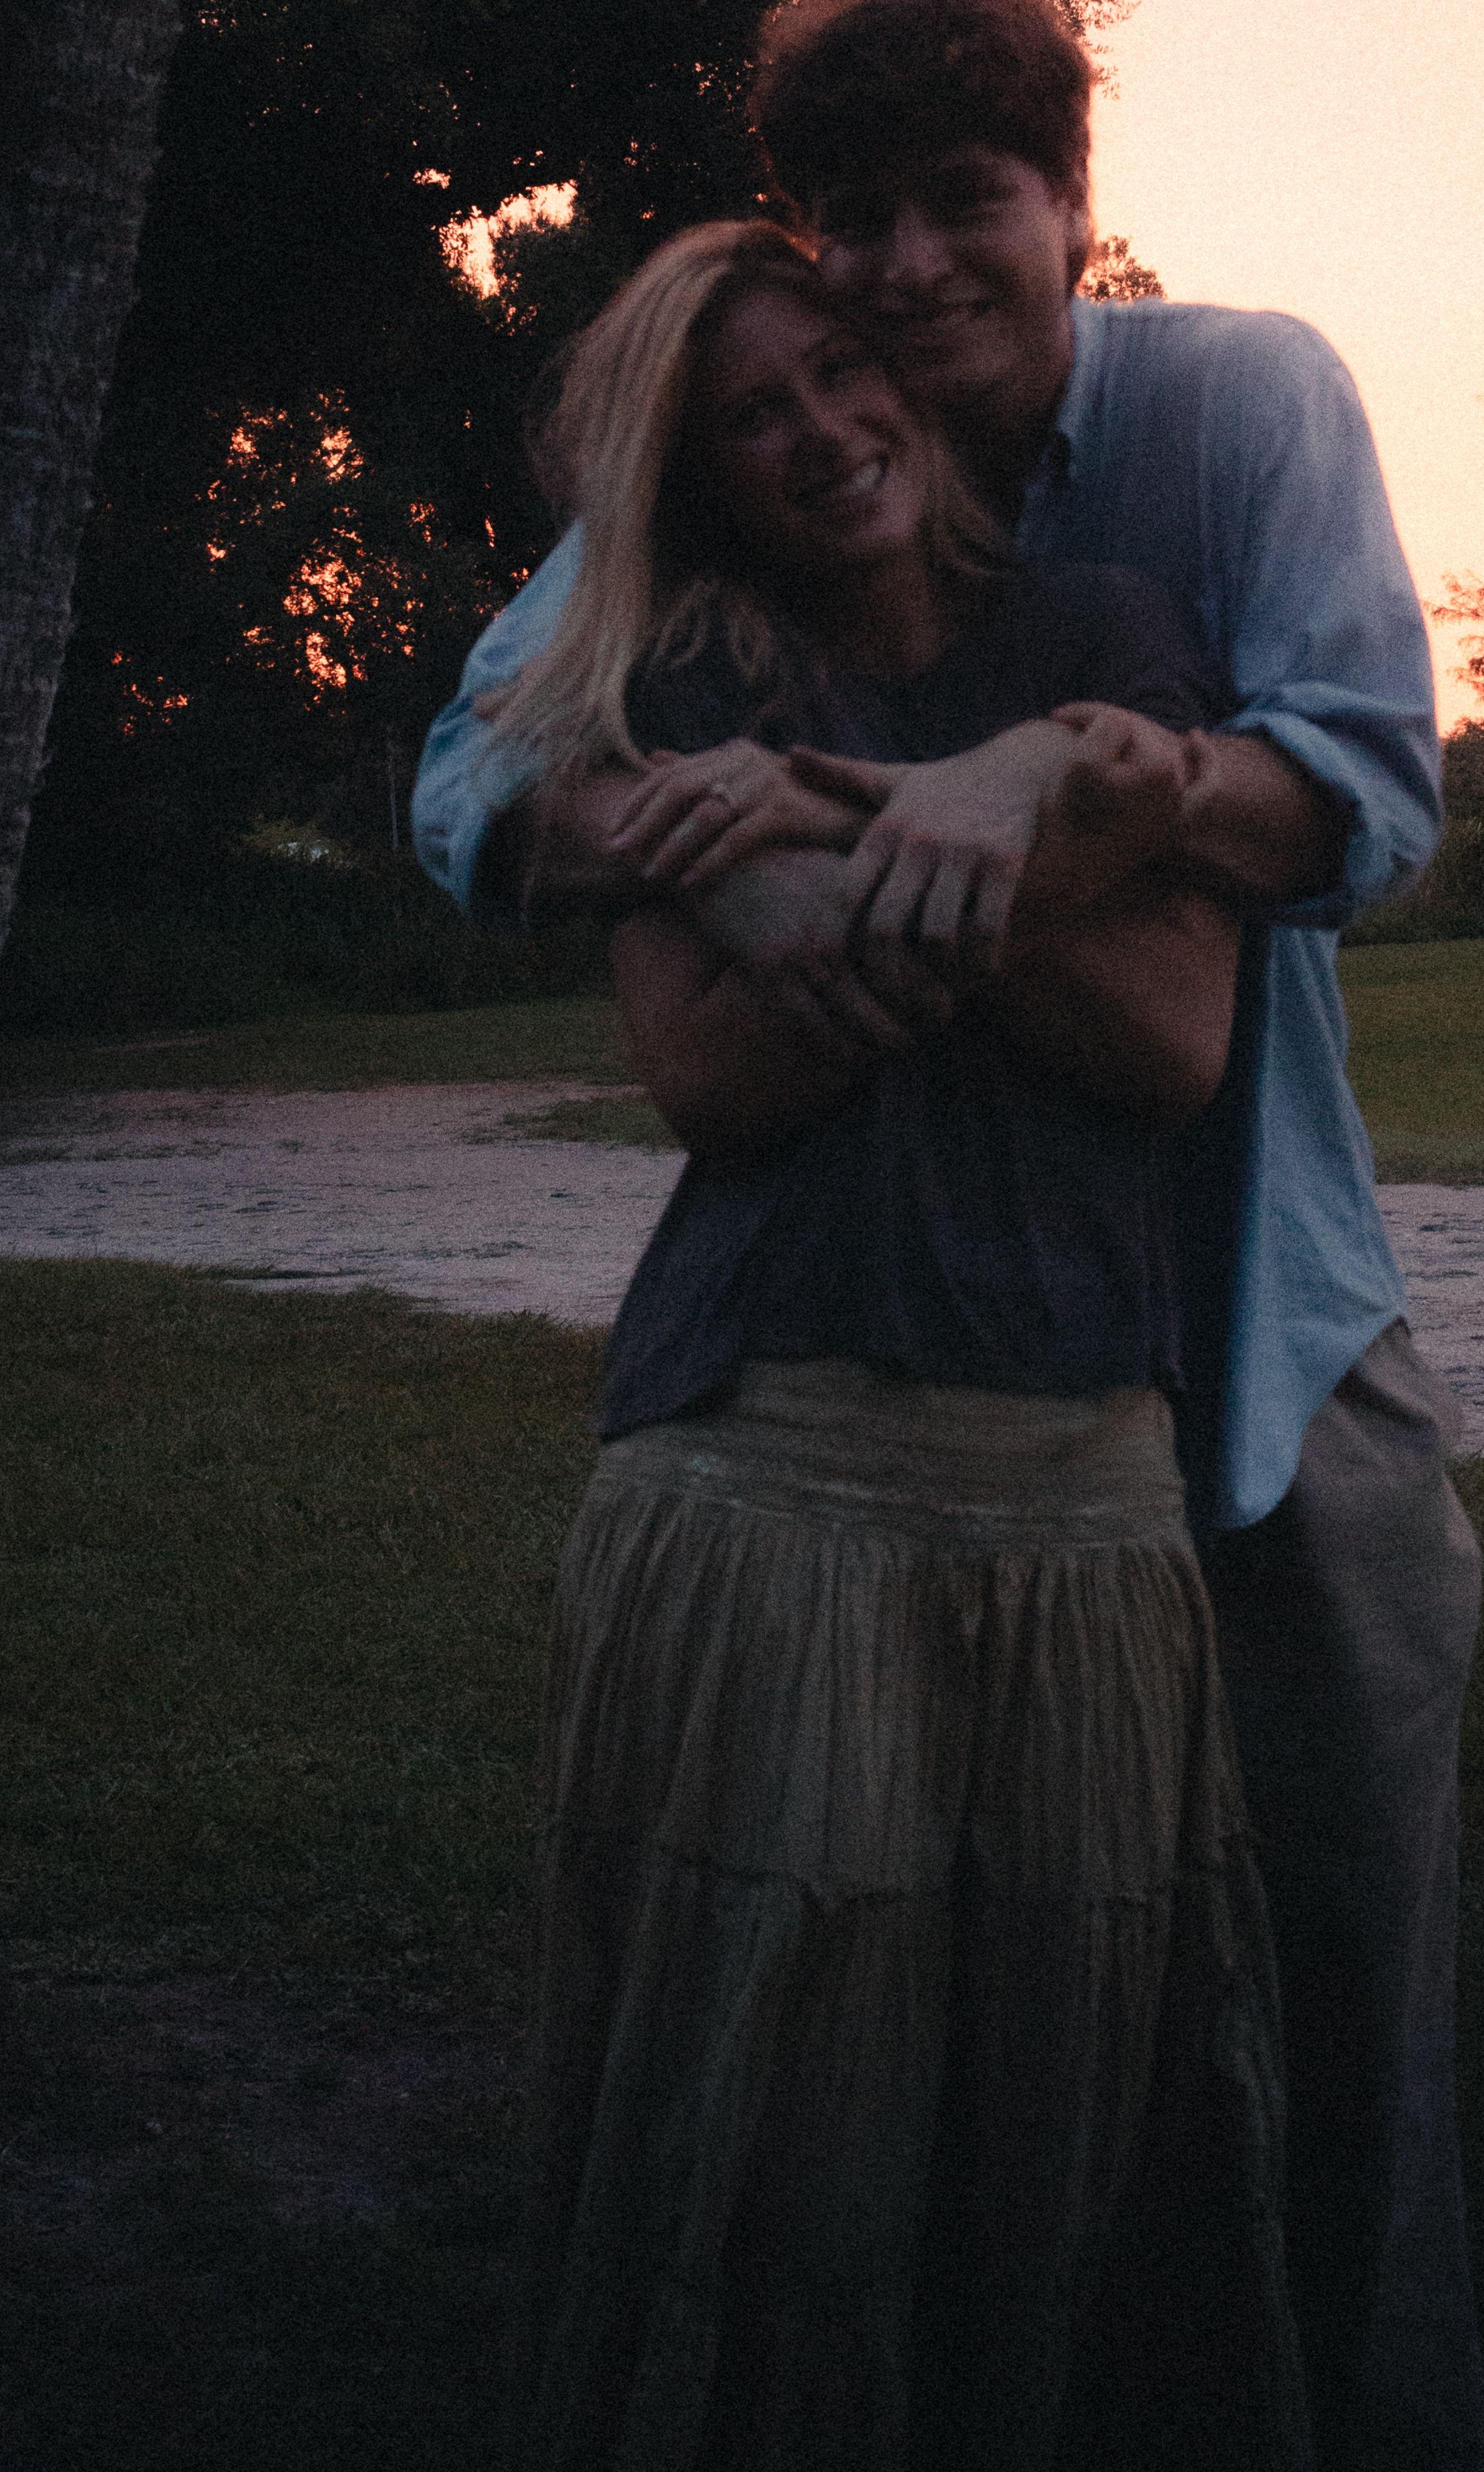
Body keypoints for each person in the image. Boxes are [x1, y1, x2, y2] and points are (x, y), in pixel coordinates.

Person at [422, 0, 1484, 2472]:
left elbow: (1367, 793)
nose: (907, 273)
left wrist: (1032, 783)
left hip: (1255, 1324)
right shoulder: (767, 483)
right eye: (858, 218)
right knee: (992, 2044)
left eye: (966, 201)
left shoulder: (1235, 412)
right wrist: (708, 837)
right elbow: (479, 770)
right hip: (893, 1398)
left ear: (1073, 202)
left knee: (1336, 1994)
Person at [504, 215, 1312, 2472]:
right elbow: (717, 1078)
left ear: (911, 373)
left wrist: (830, 830)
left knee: (1070, 2133)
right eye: (747, 417)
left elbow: (1170, 1042)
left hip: (1086, 1496)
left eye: (837, 370)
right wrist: (1007, 866)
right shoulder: (688, 682)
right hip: (771, 1464)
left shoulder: (1113, 639)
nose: (820, 431)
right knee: (779, 2145)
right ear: (698, 474)